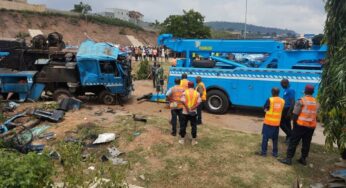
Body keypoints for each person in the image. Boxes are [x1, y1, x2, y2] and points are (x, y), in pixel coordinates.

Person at [279, 85, 318, 166]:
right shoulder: (316, 102)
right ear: (313, 92)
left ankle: (288, 159)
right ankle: (303, 159)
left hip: (301, 125)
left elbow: (295, 114)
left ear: (305, 91)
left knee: (293, 141)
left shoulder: (301, 101)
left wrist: (295, 125)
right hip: (311, 126)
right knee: (306, 142)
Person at [255, 87, 285, 157]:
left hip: (268, 122)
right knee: (275, 139)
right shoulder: (282, 101)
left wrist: (266, 110)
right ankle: (275, 153)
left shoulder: (270, 99)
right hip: (276, 123)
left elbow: (265, 108)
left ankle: (263, 152)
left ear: (272, 92)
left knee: (265, 138)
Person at [280, 79, 296, 143]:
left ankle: (290, 135)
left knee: (281, 123)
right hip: (285, 108)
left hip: (288, 109)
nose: (281, 86)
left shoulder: (290, 90)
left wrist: (289, 111)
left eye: (282, 84)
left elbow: (293, 101)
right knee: (287, 124)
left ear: (285, 83)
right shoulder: (286, 90)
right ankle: (289, 138)